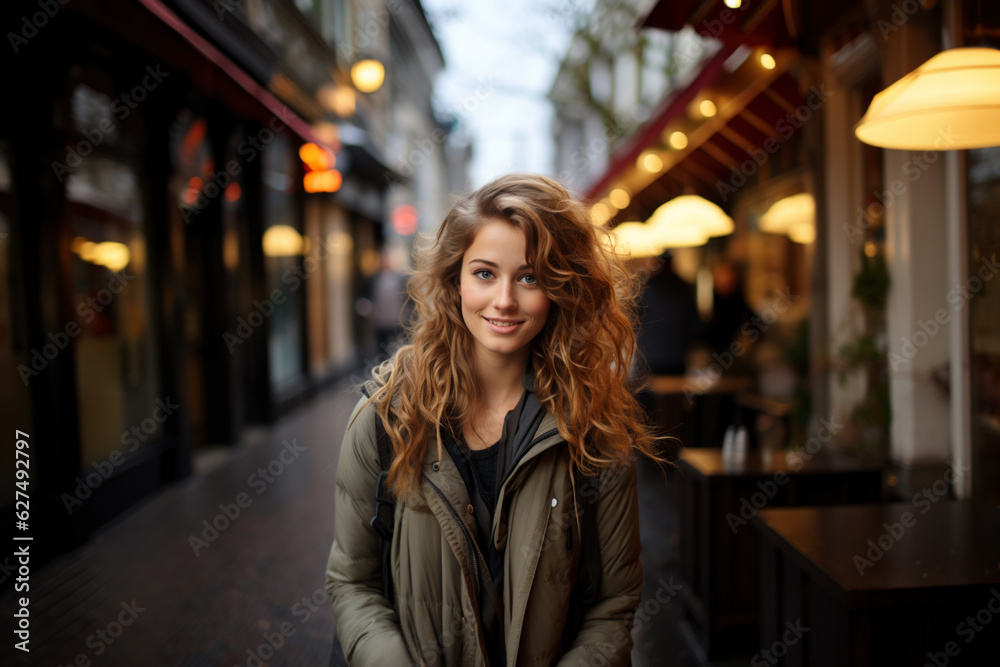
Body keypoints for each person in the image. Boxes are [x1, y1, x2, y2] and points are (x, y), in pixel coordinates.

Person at [325, 173, 663, 666]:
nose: (504, 299)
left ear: (560, 287)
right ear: (454, 279)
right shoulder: (386, 420)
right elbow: (353, 584)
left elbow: (613, 608)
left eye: (529, 277)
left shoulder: (594, 431)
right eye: (484, 273)